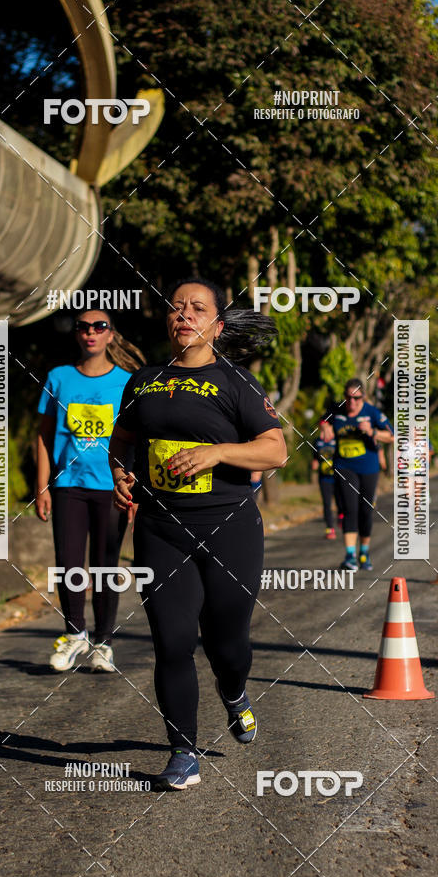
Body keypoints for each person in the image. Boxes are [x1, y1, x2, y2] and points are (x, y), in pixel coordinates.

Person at [108, 277, 287, 790]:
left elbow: (274, 450)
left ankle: (233, 691)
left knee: (228, 644)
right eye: (176, 307)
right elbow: (121, 441)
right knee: (173, 640)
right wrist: (121, 473)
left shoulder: (237, 382)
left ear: (217, 325)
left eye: (196, 308)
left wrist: (217, 452)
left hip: (230, 529)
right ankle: (182, 752)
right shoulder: (142, 380)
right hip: (163, 530)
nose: (183, 314)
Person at [36, 309, 144, 672]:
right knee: (68, 565)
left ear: (111, 335)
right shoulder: (59, 378)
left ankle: (103, 643)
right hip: (67, 485)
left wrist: (133, 487)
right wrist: (42, 485)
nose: (91, 333)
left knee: (104, 566)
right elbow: (44, 434)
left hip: (110, 487)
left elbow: (135, 441)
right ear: (77, 335)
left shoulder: (126, 382)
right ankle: (75, 634)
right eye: (83, 327)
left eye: (100, 327)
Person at [326, 378, 394, 572]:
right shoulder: (337, 410)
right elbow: (324, 420)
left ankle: (364, 552)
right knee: (350, 509)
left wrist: (372, 431)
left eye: (356, 398)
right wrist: (324, 426)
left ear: (363, 397)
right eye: (348, 397)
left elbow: (392, 436)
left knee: (365, 511)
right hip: (344, 466)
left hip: (369, 469)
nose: (352, 402)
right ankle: (350, 556)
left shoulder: (373, 413)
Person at [311, 434, 342, 539]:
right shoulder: (317, 441)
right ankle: (330, 528)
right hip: (324, 478)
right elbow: (315, 457)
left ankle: (341, 515)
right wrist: (315, 463)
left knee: (340, 500)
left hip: (338, 476)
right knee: (326, 502)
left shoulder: (337, 439)